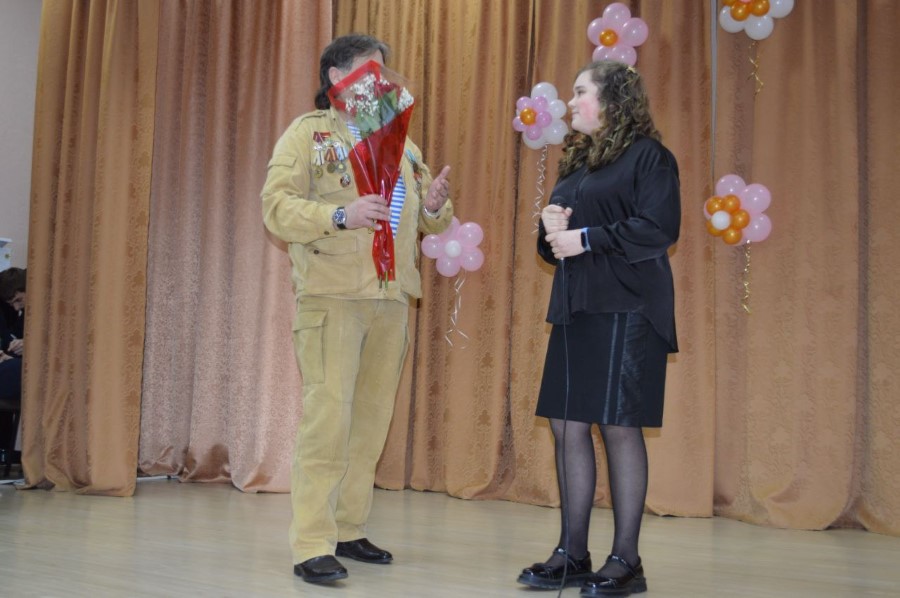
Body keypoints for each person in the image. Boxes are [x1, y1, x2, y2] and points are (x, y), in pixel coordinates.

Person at [261, 34, 453, 585]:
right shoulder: (309, 133)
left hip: (391, 298)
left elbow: (428, 218)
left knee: (369, 424)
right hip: (334, 298)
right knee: (328, 422)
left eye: (385, 72)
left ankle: (348, 528)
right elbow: (275, 207)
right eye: (371, 69)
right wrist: (339, 216)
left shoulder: (401, 141)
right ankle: (312, 544)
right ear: (336, 76)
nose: (382, 81)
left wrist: (436, 207)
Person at [517, 61, 680, 597]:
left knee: (618, 426)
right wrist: (550, 230)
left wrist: (585, 238)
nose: (571, 101)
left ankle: (627, 560)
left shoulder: (649, 157)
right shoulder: (579, 163)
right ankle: (573, 553)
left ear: (612, 99)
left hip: (628, 307)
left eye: (580, 91)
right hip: (577, 307)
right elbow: (555, 248)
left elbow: (659, 228)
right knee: (566, 425)